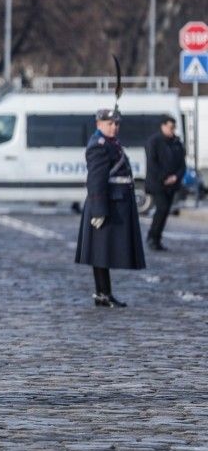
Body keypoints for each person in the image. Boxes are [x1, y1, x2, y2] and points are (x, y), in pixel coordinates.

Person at [74, 108, 145, 307]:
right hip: (105, 204)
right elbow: (96, 180)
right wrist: (98, 210)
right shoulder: (98, 145)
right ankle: (102, 293)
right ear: (99, 124)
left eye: (116, 124)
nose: (114, 127)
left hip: (115, 202)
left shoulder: (111, 143)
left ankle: (104, 292)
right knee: (100, 251)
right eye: (109, 124)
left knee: (102, 251)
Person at [145, 115, 186, 251]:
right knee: (161, 209)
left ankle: (157, 238)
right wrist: (164, 178)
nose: (172, 130)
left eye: (174, 127)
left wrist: (175, 177)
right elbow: (152, 163)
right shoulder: (154, 141)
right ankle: (152, 237)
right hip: (158, 184)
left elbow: (182, 164)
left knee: (165, 211)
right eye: (170, 127)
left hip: (172, 184)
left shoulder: (176, 142)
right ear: (163, 126)